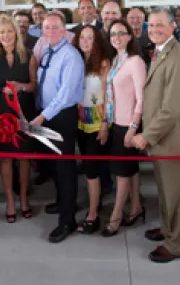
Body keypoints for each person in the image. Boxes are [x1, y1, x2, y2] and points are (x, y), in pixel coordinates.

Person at [130, 7, 180, 263]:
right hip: (162, 141)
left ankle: (177, 244)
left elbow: (172, 108)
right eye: (152, 25)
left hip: (173, 140)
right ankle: (169, 231)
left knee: (177, 196)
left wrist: (146, 136)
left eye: (160, 25)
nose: (155, 30)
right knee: (166, 192)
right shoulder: (161, 51)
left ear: (172, 28)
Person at [31, 11, 85, 243]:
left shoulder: (70, 56)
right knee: (52, 165)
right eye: (47, 27)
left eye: (55, 27)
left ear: (64, 31)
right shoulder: (46, 51)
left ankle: (68, 220)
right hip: (46, 115)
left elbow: (64, 95)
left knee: (64, 169)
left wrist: (41, 117)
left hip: (60, 117)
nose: (50, 31)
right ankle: (64, 201)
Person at [0, 15, 38, 223]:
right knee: (5, 159)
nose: (6, 35)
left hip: (24, 115)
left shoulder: (29, 56)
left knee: (24, 158)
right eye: (1, 32)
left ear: (16, 32)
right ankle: (10, 202)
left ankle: (23, 199)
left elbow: (34, 85)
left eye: (9, 31)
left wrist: (19, 86)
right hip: (2, 117)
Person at [101, 19, 147, 237]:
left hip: (128, 125)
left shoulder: (135, 61)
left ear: (130, 36)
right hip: (115, 123)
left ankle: (115, 217)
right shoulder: (116, 60)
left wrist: (133, 127)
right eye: (112, 34)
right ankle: (136, 207)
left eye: (121, 33)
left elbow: (141, 99)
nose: (116, 37)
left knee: (121, 173)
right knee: (130, 169)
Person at [73, 25, 110, 235]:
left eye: (90, 37)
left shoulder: (103, 63)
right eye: (82, 37)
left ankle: (93, 214)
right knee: (88, 166)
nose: (86, 41)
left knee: (91, 169)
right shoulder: (78, 61)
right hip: (79, 121)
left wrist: (105, 122)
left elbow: (107, 96)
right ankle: (94, 204)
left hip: (97, 122)